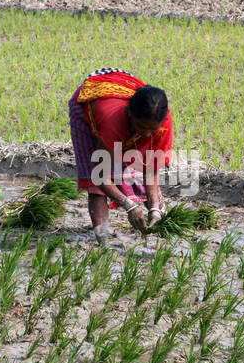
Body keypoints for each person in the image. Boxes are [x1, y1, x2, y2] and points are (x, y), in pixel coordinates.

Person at [68, 68, 173, 240]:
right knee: (97, 188)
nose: (147, 134)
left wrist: (154, 208)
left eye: (152, 130)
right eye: (141, 127)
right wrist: (129, 206)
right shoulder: (114, 123)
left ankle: (156, 225)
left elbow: (151, 168)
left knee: (138, 172)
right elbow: (99, 176)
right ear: (130, 114)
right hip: (86, 106)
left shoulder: (163, 124)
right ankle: (102, 241)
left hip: (119, 90)